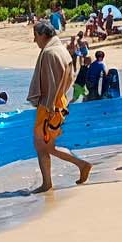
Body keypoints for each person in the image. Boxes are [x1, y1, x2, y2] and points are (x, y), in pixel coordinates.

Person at [25, 19, 94, 193]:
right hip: (59, 103)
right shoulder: (61, 50)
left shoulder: (50, 53)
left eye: (35, 36)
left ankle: (50, 182)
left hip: (50, 106)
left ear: (42, 35)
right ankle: (79, 166)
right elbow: (67, 79)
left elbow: (51, 84)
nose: (35, 41)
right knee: (47, 146)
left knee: (41, 145)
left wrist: (49, 108)